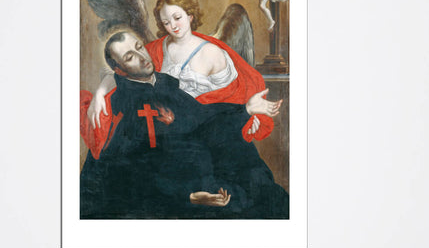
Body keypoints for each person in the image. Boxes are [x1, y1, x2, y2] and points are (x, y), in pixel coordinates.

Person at [80, 30, 289, 220]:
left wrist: (245, 110)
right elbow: (129, 173)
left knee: (263, 190)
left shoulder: (165, 86)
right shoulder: (119, 106)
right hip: (169, 196)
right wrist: (188, 195)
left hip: (200, 177)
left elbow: (202, 119)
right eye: (129, 57)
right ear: (119, 70)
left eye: (139, 47)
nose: (142, 57)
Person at [87, 0, 280, 140]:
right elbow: (122, 72)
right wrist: (99, 94)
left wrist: (245, 115)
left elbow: (232, 93)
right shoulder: (155, 49)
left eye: (177, 18)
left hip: (208, 127)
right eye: (166, 22)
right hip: (169, 128)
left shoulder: (211, 52)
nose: (173, 26)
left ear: (190, 16)